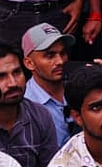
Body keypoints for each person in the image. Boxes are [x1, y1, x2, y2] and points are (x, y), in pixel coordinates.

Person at [21, 23, 74, 151]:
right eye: (50, 55)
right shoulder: (26, 105)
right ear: (29, 63)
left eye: (63, 53)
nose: (60, 61)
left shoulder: (78, 86)